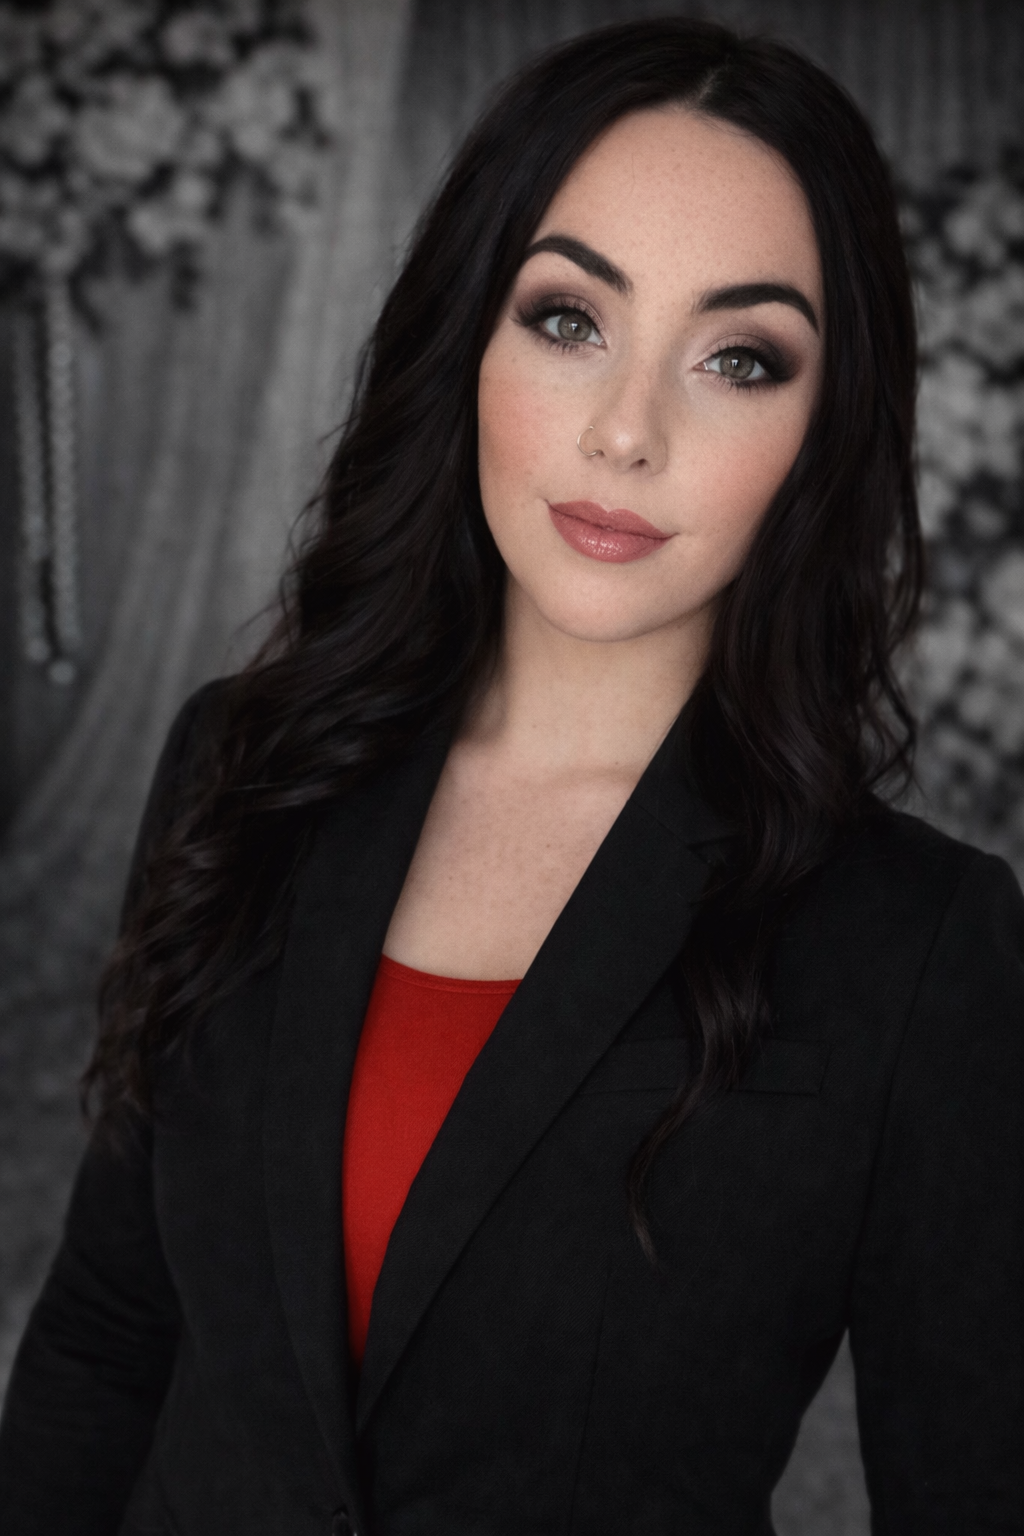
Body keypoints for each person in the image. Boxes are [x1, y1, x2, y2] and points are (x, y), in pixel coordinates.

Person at [1, 17, 1021, 1536]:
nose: (628, 431)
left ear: (825, 430)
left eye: (739, 358)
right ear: (467, 335)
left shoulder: (920, 946)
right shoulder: (244, 770)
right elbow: (106, 1338)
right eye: (568, 319)